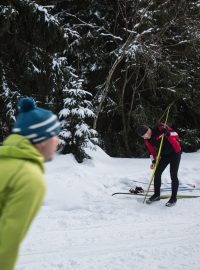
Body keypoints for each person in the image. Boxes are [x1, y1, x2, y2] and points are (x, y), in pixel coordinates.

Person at [0, 97, 60, 270]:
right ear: (41, 141)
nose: (58, 141)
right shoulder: (28, 177)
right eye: (54, 135)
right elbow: (6, 244)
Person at [136, 123, 181, 207]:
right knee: (157, 173)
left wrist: (168, 134)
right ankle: (157, 195)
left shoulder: (160, 129)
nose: (144, 137)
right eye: (142, 137)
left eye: (144, 135)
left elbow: (176, 135)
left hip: (175, 152)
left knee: (173, 175)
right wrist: (153, 162)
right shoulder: (147, 140)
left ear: (148, 131)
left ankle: (173, 198)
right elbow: (151, 152)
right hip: (164, 155)